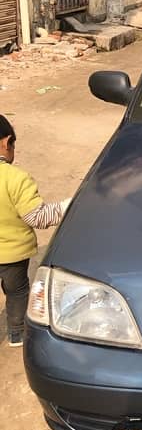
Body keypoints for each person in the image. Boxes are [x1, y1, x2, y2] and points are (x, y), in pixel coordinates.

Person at [0, 115, 70, 346]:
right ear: (6, 142)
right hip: (12, 255)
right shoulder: (15, 179)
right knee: (17, 290)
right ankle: (17, 332)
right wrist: (68, 205)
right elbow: (37, 217)